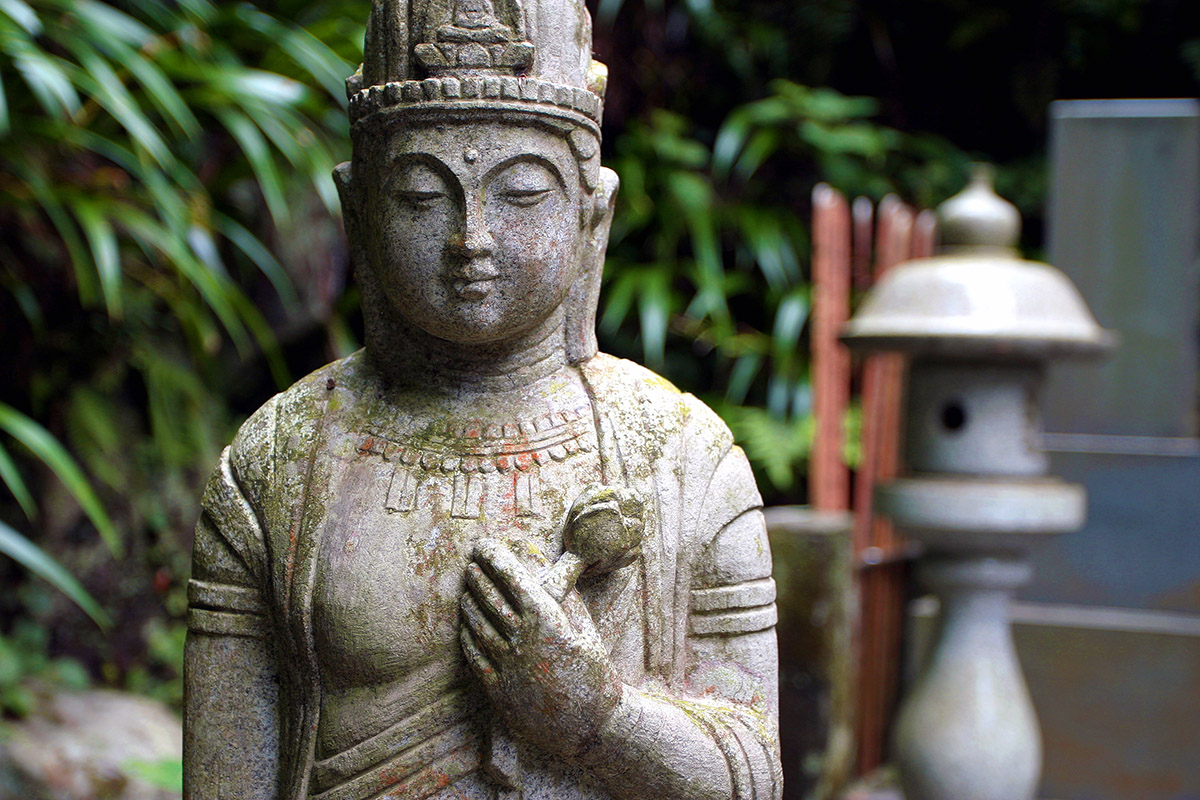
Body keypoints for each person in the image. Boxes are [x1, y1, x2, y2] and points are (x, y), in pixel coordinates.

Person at [183, 1, 780, 798]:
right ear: (358, 212)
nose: (473, 237)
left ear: (591, 214)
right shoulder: (276, 465)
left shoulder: (681, 460)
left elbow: (753, 780)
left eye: (521, 193)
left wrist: (600, 721)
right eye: (423, 198)